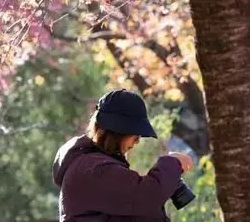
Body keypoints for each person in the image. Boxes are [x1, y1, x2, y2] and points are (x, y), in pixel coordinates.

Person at [53, 89, 194, 221]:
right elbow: (147, 197)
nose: (138, 140)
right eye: (135, 133)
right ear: (119, 131)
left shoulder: (91, 164)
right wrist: (172, 163)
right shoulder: (93, 169)